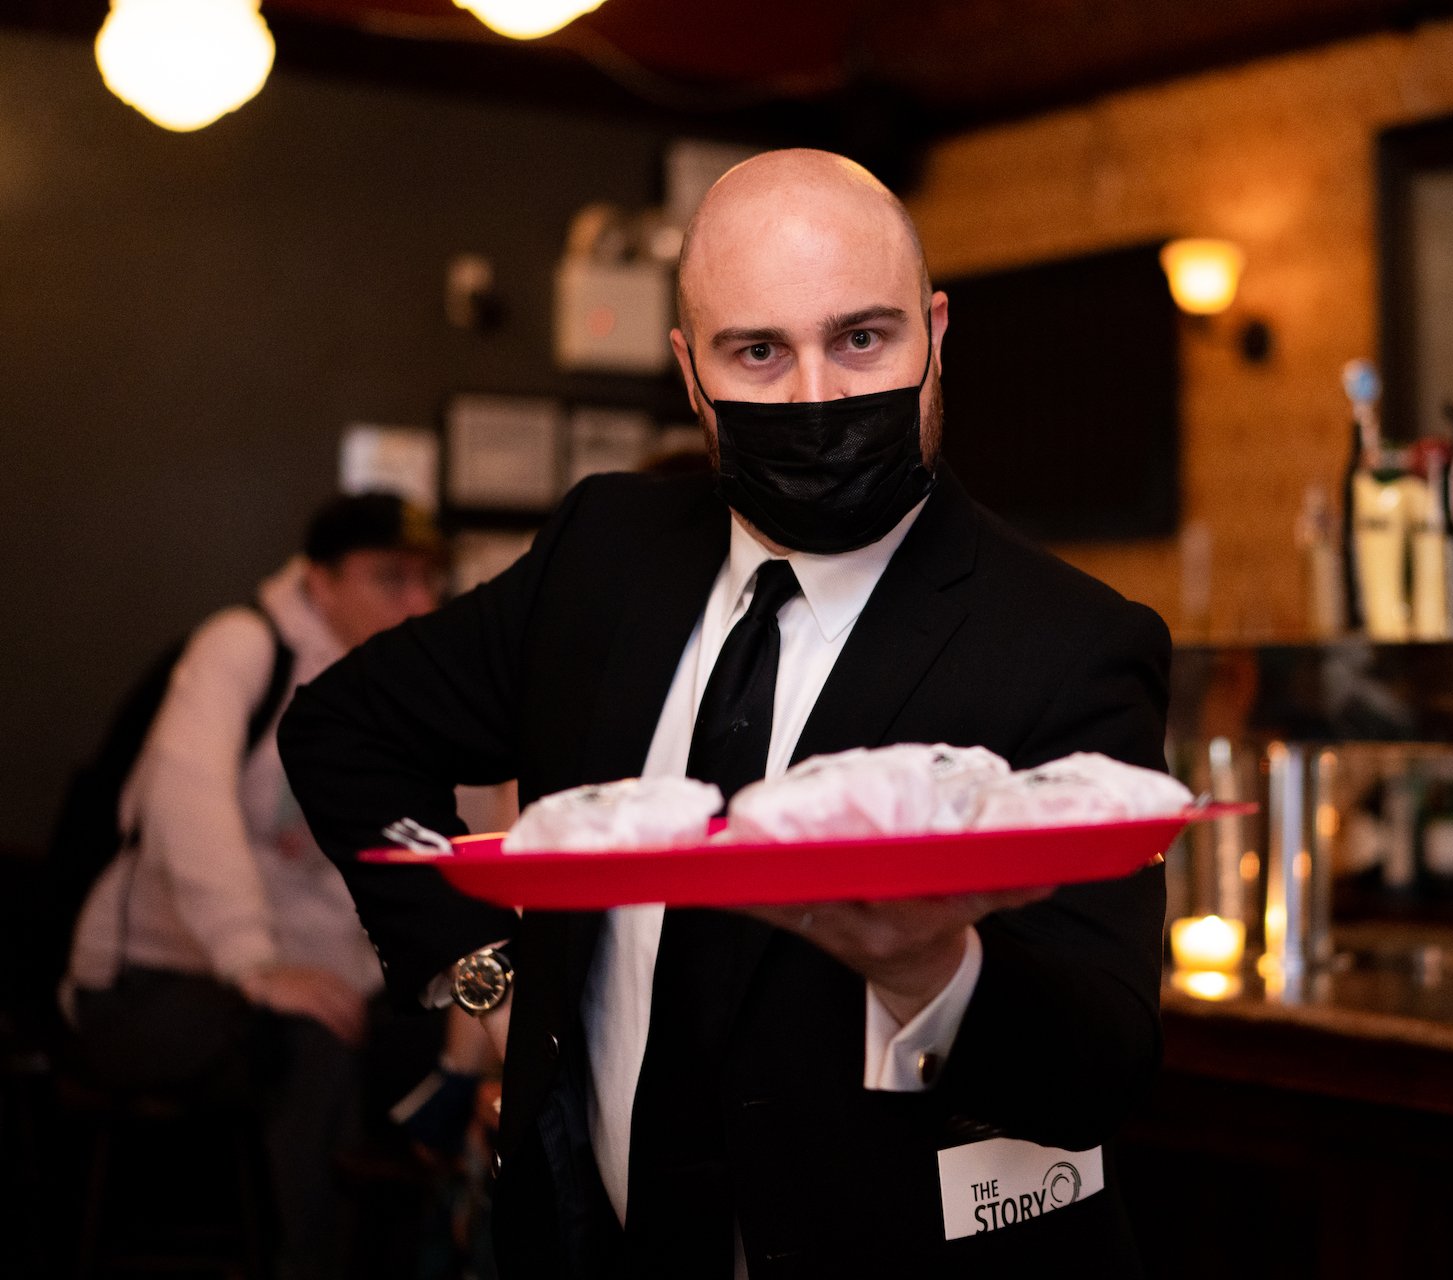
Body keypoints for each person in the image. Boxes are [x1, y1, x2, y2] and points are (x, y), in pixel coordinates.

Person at [279, 150, 1171, 1278]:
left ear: (936, 333)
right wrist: (483, 973)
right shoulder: (607, 554)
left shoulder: (1066, 640)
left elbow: (1103, 1065)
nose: (814, 397)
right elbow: (345, 730)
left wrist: (935, 968)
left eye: (862, 339)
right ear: (691, 372)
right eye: (759, 351)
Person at [63, 492, 447, 1280]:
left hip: (302, 981)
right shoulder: (245, 644)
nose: (419, 601)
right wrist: (254, 964)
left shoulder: (397, 684)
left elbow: (440, 831)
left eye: (428, 580)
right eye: (391, 578)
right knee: (315, 1047)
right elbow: (184, 803)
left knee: (438, 1045)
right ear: (319, 581)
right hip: (146, 985)